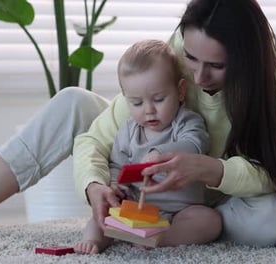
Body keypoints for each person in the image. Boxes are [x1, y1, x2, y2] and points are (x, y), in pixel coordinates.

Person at [0, 0, 276, 247]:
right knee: (73, 101)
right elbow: (96, 138)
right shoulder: (178, 50)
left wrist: (210, 169)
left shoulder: (275, 68)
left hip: (217, 190)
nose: (199, 77)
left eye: (217, 66)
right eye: (190, 60)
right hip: (149, 168)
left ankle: (176, 226)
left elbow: (274, 169)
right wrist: (94, 187)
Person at [74, 39, 220, 254]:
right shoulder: (128, 130)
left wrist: (160, 154)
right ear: (126, 99)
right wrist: (116, 186)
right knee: (102, 216)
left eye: (159, 99)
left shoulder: (187, 121)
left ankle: (162, 238)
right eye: (137, 103)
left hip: (180, 210)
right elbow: (117, 165)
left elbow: (195, 144)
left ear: (180, 91)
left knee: (210, 221)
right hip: (136, 206)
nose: (149, 110)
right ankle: (93, 242)